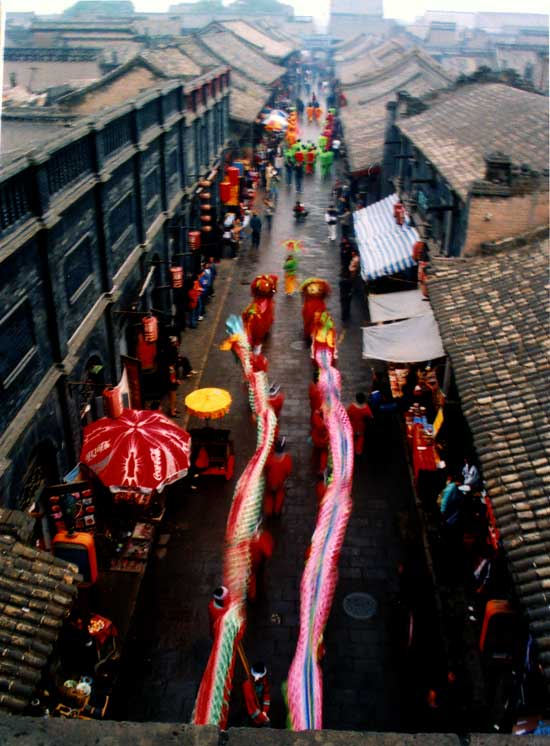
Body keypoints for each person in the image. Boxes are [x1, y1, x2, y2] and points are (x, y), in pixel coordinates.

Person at [264, 437, 293, 517]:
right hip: (280, 484)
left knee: (269, 497)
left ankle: (269, 511)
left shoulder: (269, 458)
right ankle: (277, 511)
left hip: (270, 483)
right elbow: (288, 472)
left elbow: (266, 468)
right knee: (279, 496)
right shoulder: (287, 459)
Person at [242, 662, 271, 726]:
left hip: (259, 707)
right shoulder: (247, 685)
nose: (257, 679)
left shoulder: (264, 680)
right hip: (249, 711)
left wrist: (265, 711)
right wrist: (263, 718)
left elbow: (266, 695)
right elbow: (251, 706)